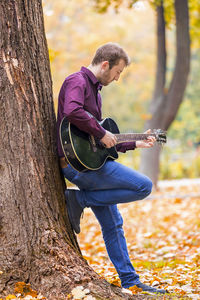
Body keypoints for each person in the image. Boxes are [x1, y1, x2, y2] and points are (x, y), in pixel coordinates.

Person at [56, 43, 167, 294]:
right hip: (78, 168)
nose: (117, 78)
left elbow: (99, 142)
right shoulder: (77, 81)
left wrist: (134, 143)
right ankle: (80, 198)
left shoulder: (96, 92)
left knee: (113, 224)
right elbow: (72, 111)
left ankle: (130, 281)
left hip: (89, 165)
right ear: (105, 64)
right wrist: (100, 131)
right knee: (143, 186)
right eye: (117, 72)